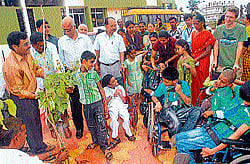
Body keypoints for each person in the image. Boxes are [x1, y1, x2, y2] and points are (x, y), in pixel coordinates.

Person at [3, 31, 54, 154]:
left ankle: (39, 145)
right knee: (29, 126)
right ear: (15, 47)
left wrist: (43, 73)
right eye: (25, 44)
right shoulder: (11, 66)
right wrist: (37, 95)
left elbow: (35, 68)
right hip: (22, 100)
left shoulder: (26, 54)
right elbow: (19, 91)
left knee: (36, 122)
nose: (29, 46)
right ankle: (38, 152)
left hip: (31, 96)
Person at [175, 80, 250, 164]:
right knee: (178, 137)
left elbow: (236, 136)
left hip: (219, 138)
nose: (243, 102)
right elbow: (232, 81)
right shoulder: (242, 94)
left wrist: (212, 151)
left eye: (246, 100)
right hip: (213, 127)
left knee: (181, 144)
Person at [29, 31, 70, 139]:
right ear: (33, 45)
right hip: (42, 84)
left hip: (55, 81)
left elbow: (57, 63)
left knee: (62, 105)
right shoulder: (31, 53)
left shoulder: (51, 47)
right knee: (49, 108)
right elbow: (34, 70)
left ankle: (66, 126)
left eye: (42, 44)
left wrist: (61, 80)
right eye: (38, 46)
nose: (41, 47)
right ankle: (53, 128)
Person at [58, 16, 94, 139]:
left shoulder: (85, 39)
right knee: (75, 105)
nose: (67, 33)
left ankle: (92, 125)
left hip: (86, 74)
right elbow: (61, 61)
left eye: (69, 30)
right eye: (64, 30)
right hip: (71, 76)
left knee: (89, 101)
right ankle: (79, 128)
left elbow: (92, 56)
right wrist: (66, 80)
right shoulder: (61, 41)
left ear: (74, 26)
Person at [75, 51, 112, 160]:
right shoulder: (76, 75)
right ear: (83, 61)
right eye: (91, 62)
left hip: (97, 103)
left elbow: (101, 88)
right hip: (86, 105)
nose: (92, 65)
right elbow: (73, 88)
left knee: (101, 125)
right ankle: (95, 142)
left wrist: (104, 104)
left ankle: (105, 147)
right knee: (91, 125)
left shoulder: (94, 74)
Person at [145, 67, 201, 137]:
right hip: (167, 110)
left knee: (197, 110)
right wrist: (157, 103)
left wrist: (180, 92)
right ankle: (179, 137)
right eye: (163, 80)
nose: (164, 83)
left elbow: (188, 103)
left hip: (179, 110)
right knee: (176, 123)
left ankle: (181, 136)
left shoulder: (183, 84)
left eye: (166, 82)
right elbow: (154, 96)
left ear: (174, 81)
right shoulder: (162, 86)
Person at [0, 117, 68, 164]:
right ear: (16, 139)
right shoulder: (17, 158)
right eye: (25, 133)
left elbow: (31, 160)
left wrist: (52, 153)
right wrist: (58, 160)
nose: (26, 136)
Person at [103, 74, 136, 149]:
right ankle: (115, 136)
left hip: (121, 105)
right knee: (114, 119)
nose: (116, 81)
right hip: (112, 106)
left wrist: (120, 94)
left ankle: (128, 133)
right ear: (109, 85)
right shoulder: (105, 90)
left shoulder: (120, 87)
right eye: (113, 81)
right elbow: (105, 103)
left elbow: (124, 101)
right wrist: (110, 97)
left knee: (126, 118)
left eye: (115, 80)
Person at [213, 6, 247, 77]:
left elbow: (240, 46)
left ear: (236, 18)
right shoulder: (218, 29)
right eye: (227, 16)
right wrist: (215, 60)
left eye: (231, 17)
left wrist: (236, 63)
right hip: (221, 66)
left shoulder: (241, 29)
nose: (228, 19)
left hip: (234, 66)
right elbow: (216, 45)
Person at [191, 14, 216, 106]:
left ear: (202, 23)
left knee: (202, 81)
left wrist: (197, 58)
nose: (195, 26)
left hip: (203, 61)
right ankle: (194, 102)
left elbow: (208, 50)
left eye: (197, 24)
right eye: (194, 24)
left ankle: (202, 102)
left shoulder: (207, 33)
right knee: (194, 82)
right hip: (194, 60)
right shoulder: (193, 33)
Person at [94, 17, 126, 86]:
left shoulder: (119, 37)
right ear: (106, 26)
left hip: (116, 65)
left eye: (115, 25)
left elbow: (121, 51)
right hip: (104, 67)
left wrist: (122, 64)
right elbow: (97, 52)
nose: (114, 28)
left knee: (119, 85)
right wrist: (96, 64)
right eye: (112, 26)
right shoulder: (99, 37)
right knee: (106, 87)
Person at [241, 14, 250, 81]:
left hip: (248, 55)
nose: (243, 20)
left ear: (248, 20)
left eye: (245, 18)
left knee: (246, 75)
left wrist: (241, 55)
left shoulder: (247, 29)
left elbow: (245, 45)